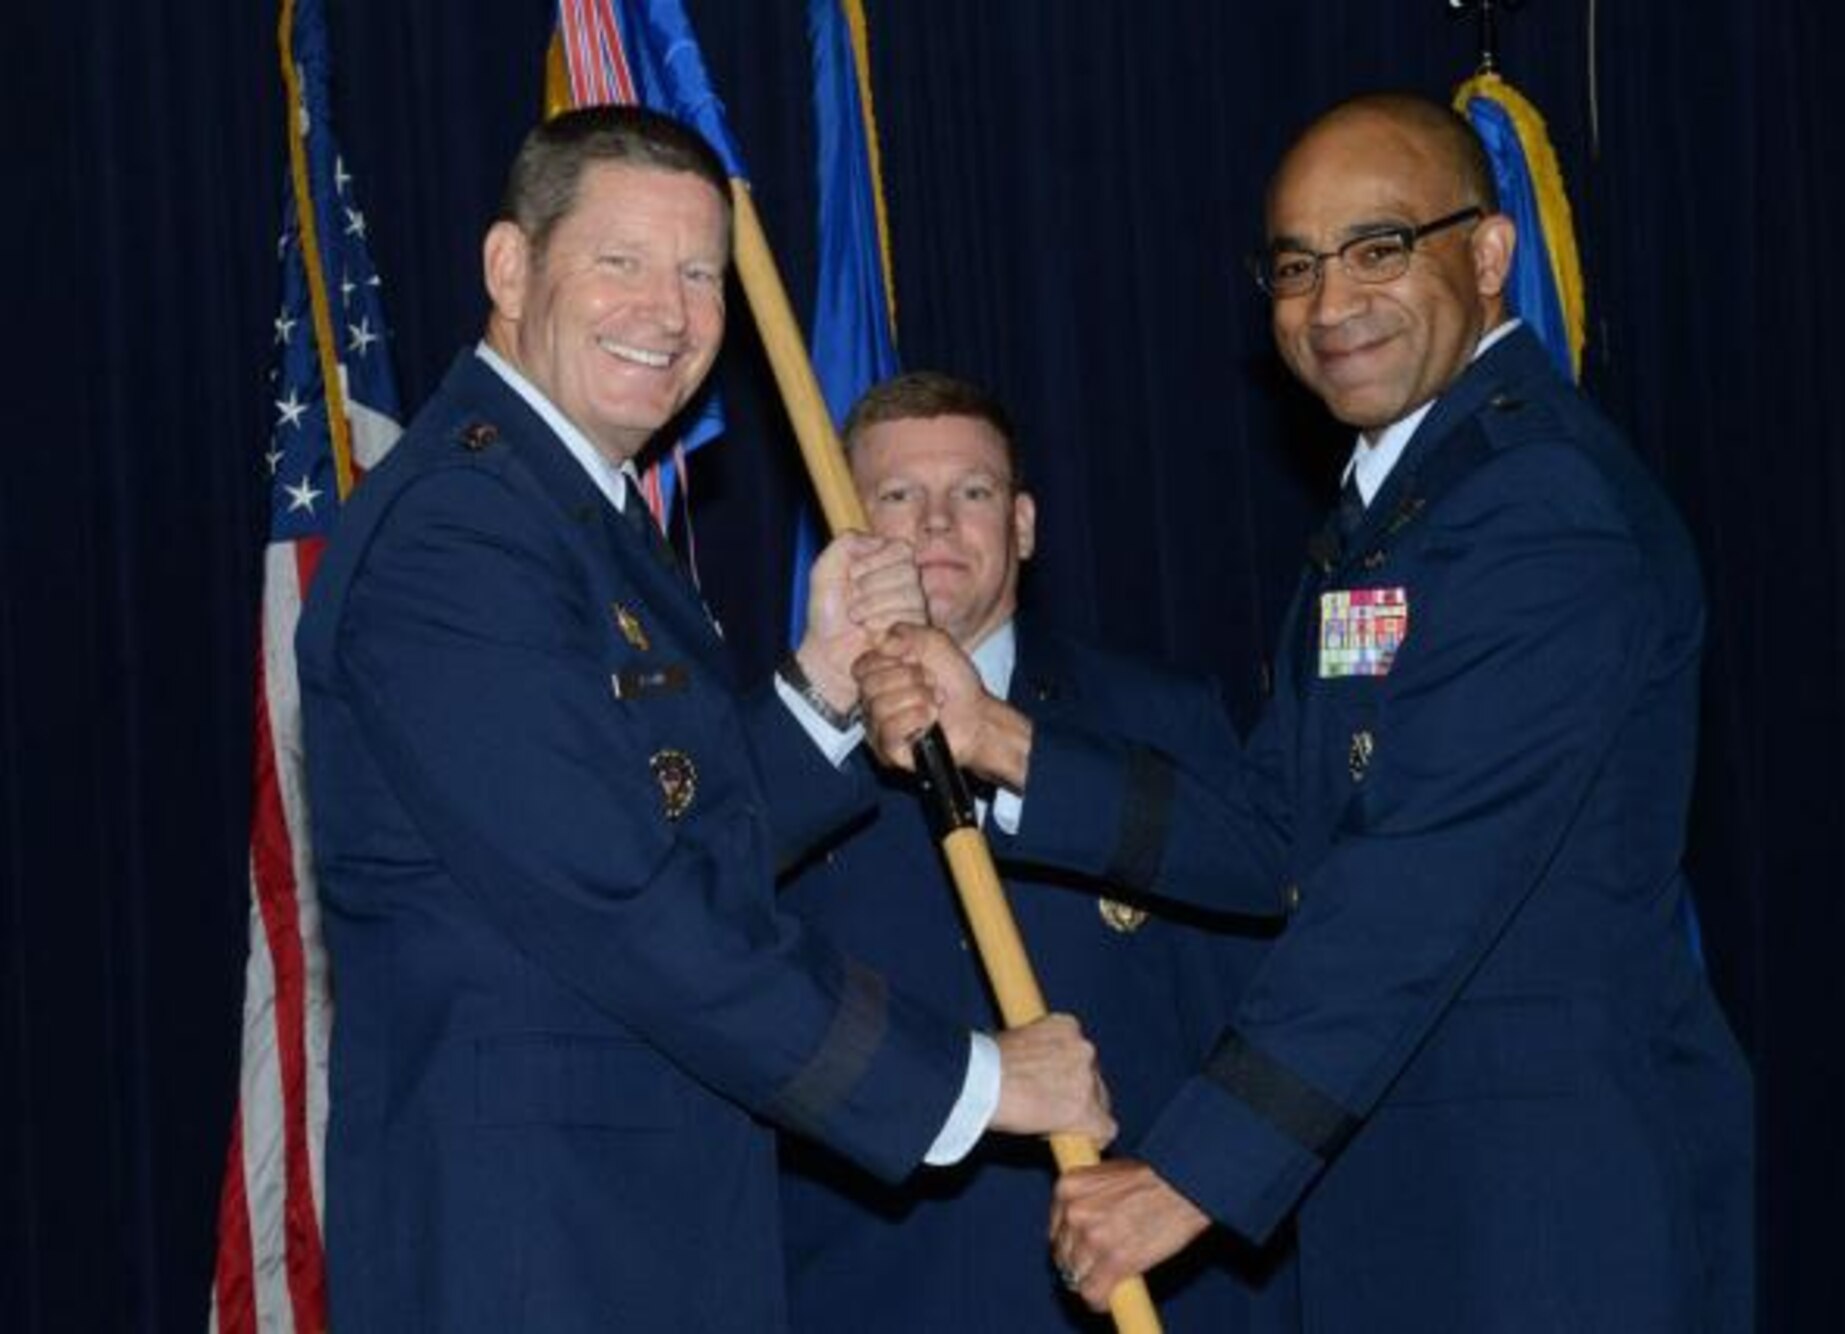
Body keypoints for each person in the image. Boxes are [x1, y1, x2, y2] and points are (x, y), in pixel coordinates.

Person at [856, 93, 1752, 1333]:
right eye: (1294, 266)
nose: (1330, 304)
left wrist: (1187, 1170)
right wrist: (1000, 736)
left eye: (1378, 248)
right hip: (1413, 1201)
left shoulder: (1539, 503)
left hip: (1541, 1215)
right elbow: (1277, 824)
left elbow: (1418, 878)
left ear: (1487, 255)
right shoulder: (1388, 514)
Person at [295, 106, 1111, 1334]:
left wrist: (821, 683)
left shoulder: (575, 513)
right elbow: (627, 901)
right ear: (510, 268)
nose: (669, 313)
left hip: (637, 1229)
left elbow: (672, 827)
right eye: (619, 260)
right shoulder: (462, 533)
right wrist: (977, 1079)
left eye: (700, 273)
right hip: (535, 1252)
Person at [775, 372, 1297, 1332]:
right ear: (843, 529)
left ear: (1021, 525)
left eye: (971, 493)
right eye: (896, 496)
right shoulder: (784, 762)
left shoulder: (1160, 725)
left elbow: (1260, 1002)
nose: (935, 525)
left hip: (1133, 1297)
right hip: (865, 1299)